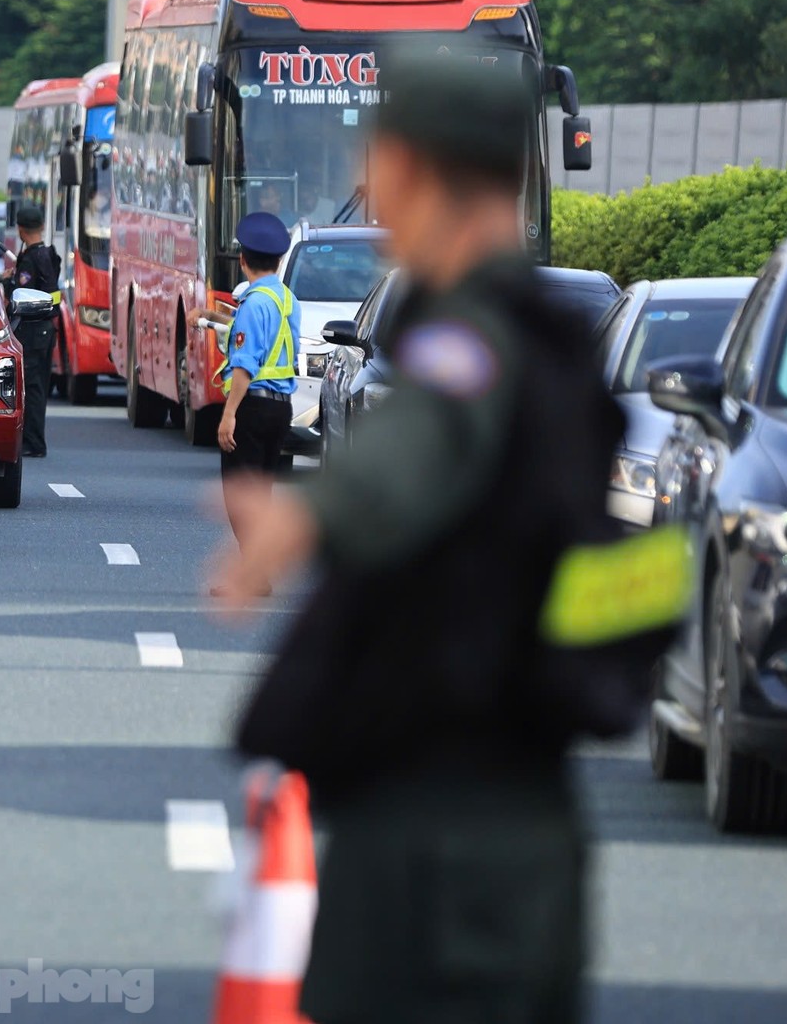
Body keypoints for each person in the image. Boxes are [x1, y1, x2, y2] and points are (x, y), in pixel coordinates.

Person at [203, 54, 624, 1024]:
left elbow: (421, 432)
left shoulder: (466, 340)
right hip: (533, 818)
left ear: (403, 169)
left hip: (434, 833)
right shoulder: (555, 344)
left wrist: (310, 516)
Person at [194, 212, 300, 541]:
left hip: (251, 407)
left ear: (242, 260)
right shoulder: (287, 300)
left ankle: (253, 572)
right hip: (281, 408)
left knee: (241, 496)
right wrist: (211, 315)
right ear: (280, 262)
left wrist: (228, 415)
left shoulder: (254, 304)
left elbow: (245, 363)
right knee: (261, 494)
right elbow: (259, 334)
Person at [6, 201, 61, 458]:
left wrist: (8, 282)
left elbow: (20, 292)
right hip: (46, 329)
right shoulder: (49, 254)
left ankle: (33, 443)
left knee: (32, 389)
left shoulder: (30, 259)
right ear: (41, 226)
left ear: (20, 230)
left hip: (32, 329)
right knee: (38, 387)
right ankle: (34, 441)